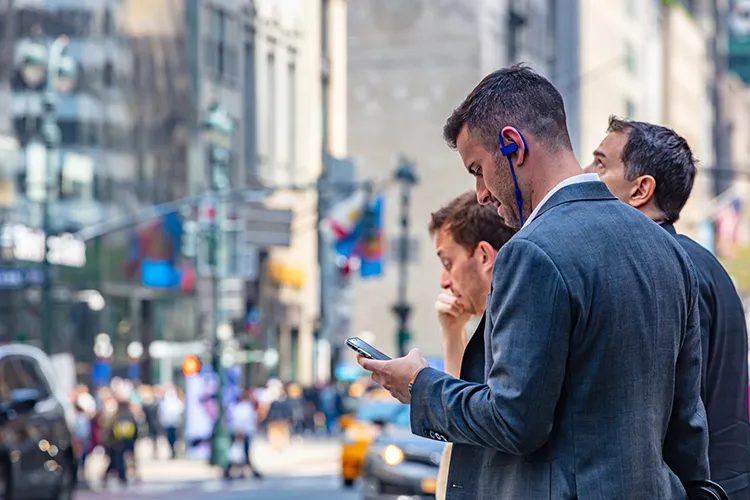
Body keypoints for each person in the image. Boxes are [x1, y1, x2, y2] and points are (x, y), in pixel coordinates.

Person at [357, 64, 709, 499]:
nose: (482, 193)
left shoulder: (531, 252)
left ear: (513, 145)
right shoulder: (669, 248)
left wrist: (419, 387)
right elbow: (688, 424)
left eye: (478, 169)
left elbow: (513, 420)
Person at [584, 116, 750, 499]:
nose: (583, 173)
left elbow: (657, 417)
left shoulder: (659, 270)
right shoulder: (698, 262)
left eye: (600, 164)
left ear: (641, 189)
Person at [428, 191, 516, 500]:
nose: (444, 280)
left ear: (483, 256)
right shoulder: (493, 322)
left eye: (448, 262)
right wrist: (452, 334)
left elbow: (480, 426)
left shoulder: (512, 322)